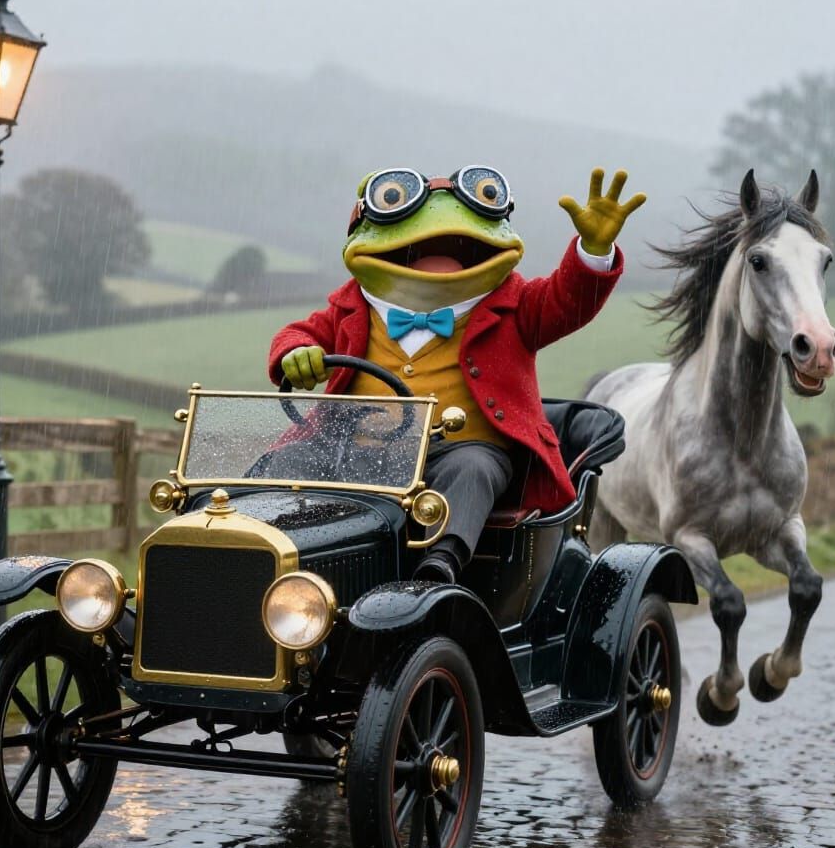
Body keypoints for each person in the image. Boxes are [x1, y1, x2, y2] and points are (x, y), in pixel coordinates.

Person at [268, 165, 644, 582]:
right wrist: (296, 351)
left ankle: (442, 562)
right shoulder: (352, 306)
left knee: (473, 469)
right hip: (356, 451)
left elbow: (568, 301)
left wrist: (594, 250)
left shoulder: (515, 305)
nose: (435, 262)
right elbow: (300, 333)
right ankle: (269, 553)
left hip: (461, 448)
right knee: (291, 458)